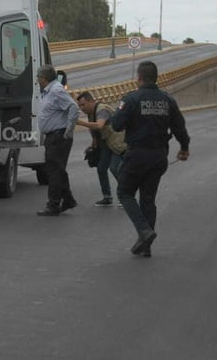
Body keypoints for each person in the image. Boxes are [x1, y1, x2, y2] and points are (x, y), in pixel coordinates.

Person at [110, 60, 190, 258]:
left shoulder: (131, 99)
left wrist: (123, 111)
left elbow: (117, 125)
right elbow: (180, 127)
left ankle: (144, 231)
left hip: (137, 155)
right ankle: (146, 246)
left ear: (139, 77)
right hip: (158, 156)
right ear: (156, 77)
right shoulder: (168, 100)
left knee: (124, 192)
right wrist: (184, 148)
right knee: (148, 198)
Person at [35, 64, 79, 216]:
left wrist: (69, 129)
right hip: (52, 136)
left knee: (54, 171)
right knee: (57, 170)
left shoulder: (56, 90)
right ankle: (68, 200)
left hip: (59, 136)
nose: (37, 80)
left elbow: (73, 107)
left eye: (38, 77)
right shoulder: (48, 91)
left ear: (44, 78)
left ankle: (53, 204)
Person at [75, 91, 128, 207]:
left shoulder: (102, 110)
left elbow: (99, 125)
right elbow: (96, 130)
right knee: (101, 168)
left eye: (83, 105)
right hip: (105, 143)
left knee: (114, 167)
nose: (81, 108)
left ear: (91, 101)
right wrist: (93, 142)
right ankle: (107, 197)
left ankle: (126, 196)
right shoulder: (91, 113)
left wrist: (79, 122)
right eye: (79, 106)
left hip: (116, 143)